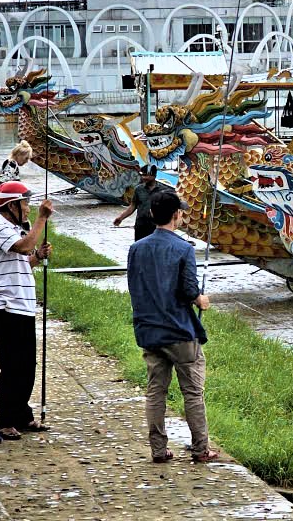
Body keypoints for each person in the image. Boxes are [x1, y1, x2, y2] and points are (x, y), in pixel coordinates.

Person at [126, 190, 219, 464]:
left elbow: (134, 287)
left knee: (156, 390)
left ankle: (158, 449)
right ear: (177, 215)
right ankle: (201, 448)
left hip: (149, 331)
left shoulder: (136, 249)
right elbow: (190, 290)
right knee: (192, 392)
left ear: (152, 214)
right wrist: (201, 300)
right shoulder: (184, 249)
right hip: (179, 332)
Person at [0, 181, 54, 440]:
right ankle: (5, 420)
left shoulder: (13, 228)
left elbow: (26, 259)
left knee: (27, 365)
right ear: (11, 205)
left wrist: (39, 255)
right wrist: (41, 220)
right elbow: (23, 247)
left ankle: (22, 415)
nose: (28, 208)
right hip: (7, 306)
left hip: (23, 304)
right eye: (24, 203)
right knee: (12, 365)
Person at [114, 165, 159, 240]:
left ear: (154, 175)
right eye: (142, 175)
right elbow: (133, 206)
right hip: (141, 226)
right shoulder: (138, 189)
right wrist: (121, 217)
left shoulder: (163, 191)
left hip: (156, 227)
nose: (143, 178)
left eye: (145, 175)